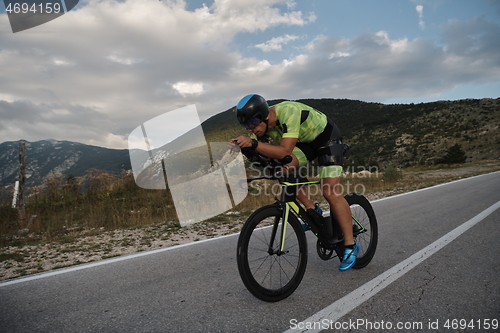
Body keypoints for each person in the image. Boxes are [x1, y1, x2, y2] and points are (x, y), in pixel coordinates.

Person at [230, 94, 359, 271]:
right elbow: (265, 157)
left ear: (265, 115)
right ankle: (312, 209)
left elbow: (284, 151)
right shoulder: (261, 128)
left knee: (329, 191)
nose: (250, 128)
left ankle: (351, 246)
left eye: (252, 122)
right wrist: (246, 149)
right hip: (305, 143)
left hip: (326, 138)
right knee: (282, 170)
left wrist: (252, 143)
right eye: (245, 125)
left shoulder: (288, 112)